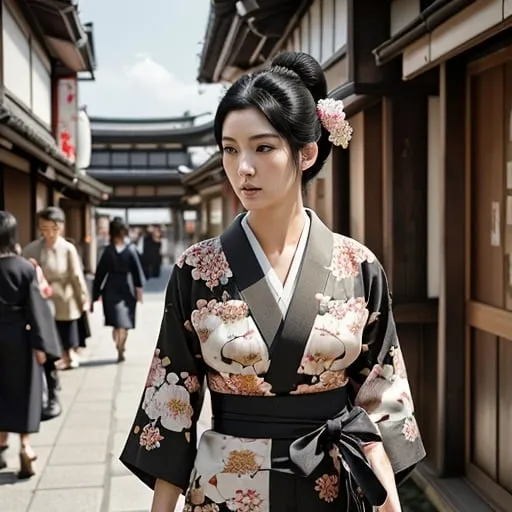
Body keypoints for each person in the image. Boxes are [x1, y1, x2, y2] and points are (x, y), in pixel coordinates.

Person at [120, 52, 425, 512]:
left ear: (306, 152)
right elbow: (173, 399)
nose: (243, 167)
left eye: (263, 148)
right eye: (229, 149)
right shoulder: (197, 269)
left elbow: (382, 400)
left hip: (332, 484)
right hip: (226, 490)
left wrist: (390, 504)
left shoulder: (357, 266)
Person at [23, 206, 89, 418]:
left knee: (64, 331)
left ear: (59, 228)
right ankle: (55, 368)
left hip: (64, 297)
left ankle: (66, 357)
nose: (48, 233)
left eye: (52, 228)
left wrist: (83, 299)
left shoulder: (67, 248)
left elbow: (77, 275)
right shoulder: (32, 249)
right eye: (44, 228)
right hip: (42, 300)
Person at [0, 211, 52, 478]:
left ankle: (1, 446)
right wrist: (42, 346)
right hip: (19, 339)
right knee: (23, 392)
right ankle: (25, 446)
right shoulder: (23, 267)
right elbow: (36, 309)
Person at [91, 217, 144, 362]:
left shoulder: (131, 250)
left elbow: (137, 272)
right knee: (117, 322)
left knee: (124, 323)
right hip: (111, 289)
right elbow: (100, 273)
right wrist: (95, 294)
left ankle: (121, 346)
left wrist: (139, 291)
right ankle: (119, 346)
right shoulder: (108, 251)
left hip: (127, 289)